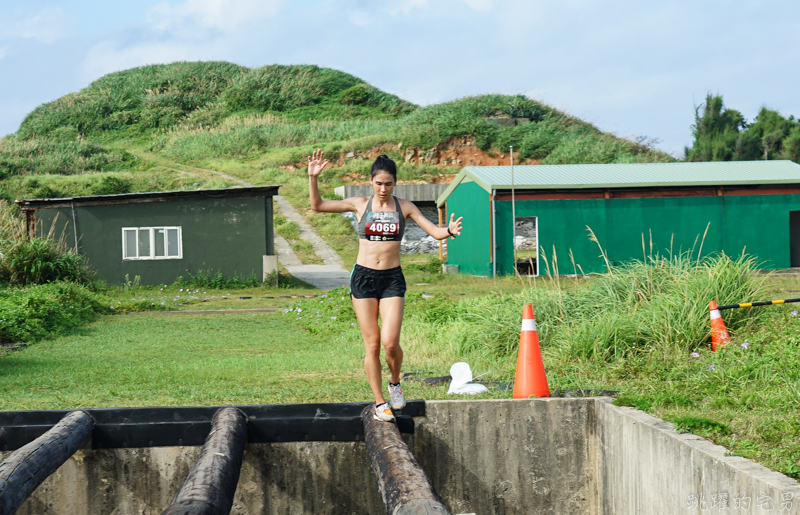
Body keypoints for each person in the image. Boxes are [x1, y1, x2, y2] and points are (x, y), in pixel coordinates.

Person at [307, 150, 463, 421]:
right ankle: (380, 403)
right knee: (373, 343)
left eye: (388, 184)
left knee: (390, 343)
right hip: (363, 278)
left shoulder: (405, 207)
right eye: (379, 183)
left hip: (392, 279)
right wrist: (313, 178)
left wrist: (448, 230)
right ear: (371, 181)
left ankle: (395, 383)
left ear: (395, 183)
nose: (383, 189)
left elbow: (435, 232)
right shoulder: (359, 204)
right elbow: (317, 205)